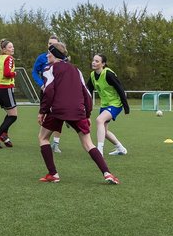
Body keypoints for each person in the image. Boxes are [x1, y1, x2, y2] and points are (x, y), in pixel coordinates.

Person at [36, 43, 118, 184]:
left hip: (57, 110)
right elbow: (86, 93)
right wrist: (87, 114)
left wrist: (42, 111)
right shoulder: (76, 70)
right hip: (78, 110)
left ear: (54, 54)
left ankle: (53, 174)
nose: (47, 55)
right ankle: (108, 173)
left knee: (43, 138)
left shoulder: (49, 69)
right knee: (88, 143)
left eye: (48, 53)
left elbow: (48, 91)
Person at [89, 53, 130, 155]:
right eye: (93, 60)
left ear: (103, 64)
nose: (94, 62)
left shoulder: (108, 74)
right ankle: (121, 148)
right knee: (104, 132)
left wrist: (126, 106)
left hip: (115, 104)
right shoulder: (93, 75)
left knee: (99, 120)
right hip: (105, 105)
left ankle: (99, 151)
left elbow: (120, 89)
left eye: (97, 61)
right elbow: (87, 91)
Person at [32, 35, 62, 152]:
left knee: (59, 117)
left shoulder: (62, 59)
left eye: (54, 44)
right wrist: (41, 84)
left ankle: (56, 143)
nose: (51, 46)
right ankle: (45, 140)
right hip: (46, 92)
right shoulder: (42, 58)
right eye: (50, 44)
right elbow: (35, 72)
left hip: (59, 92)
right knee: (44, 115)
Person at [0, 39, 19, 147]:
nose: (12, 48)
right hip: (5, 90)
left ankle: (4, 135)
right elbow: (7, 73)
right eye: (10, 47)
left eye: (13, 46)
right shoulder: (9, 58)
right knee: (13, 116)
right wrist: (14, 73)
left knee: (9, 114)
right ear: (4, 49)